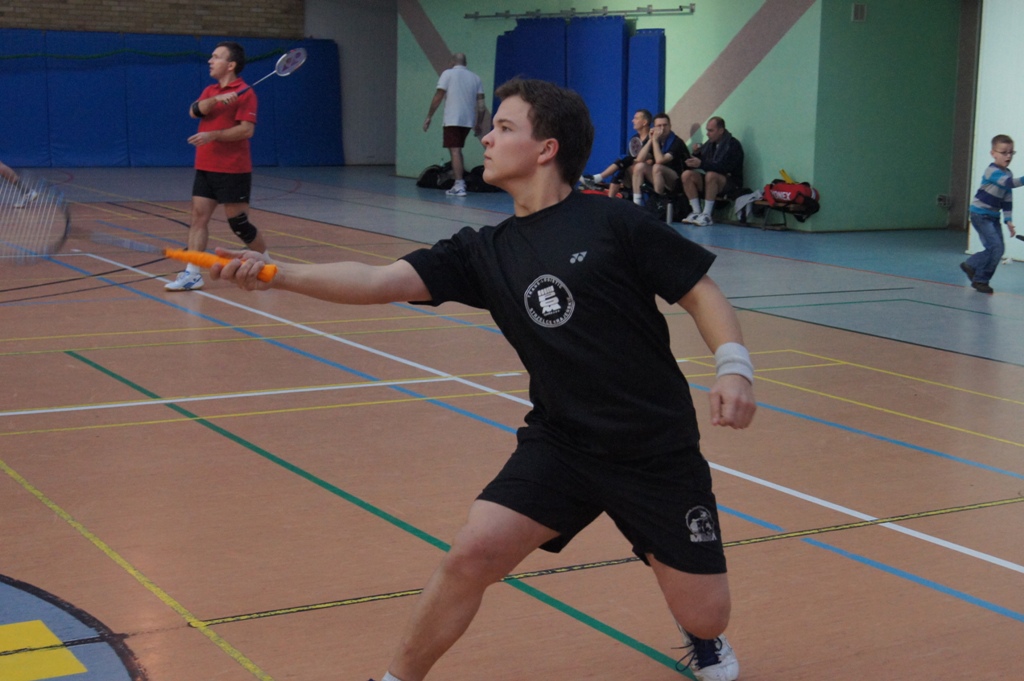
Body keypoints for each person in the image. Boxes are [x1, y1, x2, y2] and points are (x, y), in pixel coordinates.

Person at [212, 78, 756, 681]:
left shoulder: (614, 222)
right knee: (473, 551)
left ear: (546, 148)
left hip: (653, 450)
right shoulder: (483, 251)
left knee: (706, 613)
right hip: (564, 444)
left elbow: (700, 291)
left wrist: (733, 366)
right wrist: (277, 273)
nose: (487, 138)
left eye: (503, 127)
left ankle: (700, 631)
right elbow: (377, 281)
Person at [166, 41, 263, 292]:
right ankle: (192, 274)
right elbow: (194, 111)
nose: (210, 61)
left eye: (216, 57)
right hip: (206, 166)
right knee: (198, 218)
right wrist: (217, 99)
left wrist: (213, 135)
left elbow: (246, 131)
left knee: (239, 225)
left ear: (230, 65)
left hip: (233, 168)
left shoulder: (246, 93)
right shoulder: (210, 90)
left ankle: (269, 264)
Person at [962, 133, 1020, 294]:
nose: (1008, 156)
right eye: (1004, 152)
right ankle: (973, 267)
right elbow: (1009, 183)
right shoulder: (992, 171)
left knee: (998, 249)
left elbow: (1007, 199)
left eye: (1011, 152)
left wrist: (1008, 220)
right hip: (980, 214)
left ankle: (979, 277)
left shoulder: (1008, 173)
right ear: (993, 153)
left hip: (993, 216)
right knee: (994, 247)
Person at [423, 53, 486, 198]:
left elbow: (438, 96)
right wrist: (478, 123)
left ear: (452, 62)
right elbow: (481, 105)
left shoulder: (447, 74)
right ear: (465, 63)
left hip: (452, 119)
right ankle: (459, 181)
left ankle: (459, 185)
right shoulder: (475, 78)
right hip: (468, 121)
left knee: (455, 150)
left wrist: (429, 116)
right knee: (457, 149)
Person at [680, 117, 745, 227]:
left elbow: (723, 167)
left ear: (721, 131)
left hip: (731, 184)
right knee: (687, 175)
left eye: (711, 131)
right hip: (711, 182)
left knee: (711, 175)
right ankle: (696, 212)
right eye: (707, 130)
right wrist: (695, 154)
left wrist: (701, 164)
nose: (707, 134)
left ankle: (707, 215)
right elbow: (703, 162)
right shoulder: (710, 144)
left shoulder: (733, 145)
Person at [582, 108, 652, 198]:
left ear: (644, 122)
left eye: (636, 118)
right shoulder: (634, 138)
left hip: (646, 170)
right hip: (632, 169)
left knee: (624, 159)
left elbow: (651, 159)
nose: (633, 121)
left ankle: (598, 178)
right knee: (620, 170)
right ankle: (610, 200)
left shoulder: (652, 137)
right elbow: (631, 158)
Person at [630, 112, 688, 207]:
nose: (662, 128)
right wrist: (650, 140)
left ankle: (657, 203)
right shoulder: (654, 140)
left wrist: (655, 141)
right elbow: (639, 159)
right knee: (639, 166)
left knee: (657, 167)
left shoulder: (677, 142)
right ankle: (637, 204)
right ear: (654, 128)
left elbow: (660, 160)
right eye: (659, 126)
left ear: (670, 126)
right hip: (658, 178)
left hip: (676, 180)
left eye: (665, 125)